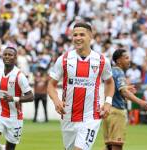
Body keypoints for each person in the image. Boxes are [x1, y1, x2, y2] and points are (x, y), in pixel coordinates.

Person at [48, 22, 114, 150]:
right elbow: (51, 84)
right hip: (68, 117)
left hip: (91, 117)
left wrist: (108, 102)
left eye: (82, 35)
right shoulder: (64, 59)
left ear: (90, 36)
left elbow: (110, 82)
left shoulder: (101, 61)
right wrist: (56, 100)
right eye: (75, 35)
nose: (78, 38)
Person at [0, 46, 34, 150]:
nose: (7, 56)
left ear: (15, 58)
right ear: (2, 57)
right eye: (5, 54)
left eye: (10, 55)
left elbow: (31, 96)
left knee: (10, 148)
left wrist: (14, 98)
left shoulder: (20, 76)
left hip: (15, 117)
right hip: (0, 113)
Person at [103, 49, 147, 150]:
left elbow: (115, 90)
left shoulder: (111, 71)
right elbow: (123, 92)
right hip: (117, 112)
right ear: (118, 61)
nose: (129, 60)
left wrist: (126, 88)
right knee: (117, 145)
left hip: (107, 112)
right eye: (126, 58)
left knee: (109, 147)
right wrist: (141, 102)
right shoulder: (119, 72)